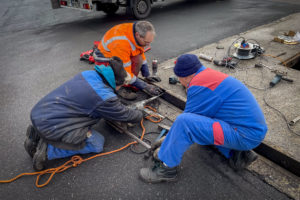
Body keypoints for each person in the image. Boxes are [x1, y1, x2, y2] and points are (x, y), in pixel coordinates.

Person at [139, 54, 268, 183]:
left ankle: (167, 169)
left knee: (185, 123)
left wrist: (164, 147)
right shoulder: (208, 76)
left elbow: (186, 123)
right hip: (250, 130)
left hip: (244, 135)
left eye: (179, 79)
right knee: (199, 128)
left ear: (185, 76)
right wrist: (168, 139)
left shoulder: (199, 85)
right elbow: (199, 118)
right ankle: (237, 154)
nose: (180, 82)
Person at [24, 57, 143, 171]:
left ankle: (36, 134)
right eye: (121, 86)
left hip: (41, 113)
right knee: (97, 144)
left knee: (86, 115)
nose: (120, 88)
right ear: (115, 82)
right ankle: (48, 151)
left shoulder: (88, 74)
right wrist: (140, 114)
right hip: (53, 126)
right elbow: (126, 115)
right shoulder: (105, 97)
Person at [94, 21, 162, 100]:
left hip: (119, 54)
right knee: (118, 70)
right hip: (106, 60)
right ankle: (118, 88)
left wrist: (147, 75)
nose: (148, 45)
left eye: (149, 42)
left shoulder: (136, 31)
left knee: (138, 59)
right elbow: (124, 71)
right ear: (137, 35)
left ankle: (131, 82)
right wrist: (145, 86)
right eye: (146, 42)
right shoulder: (121, 43)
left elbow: (139, 52)